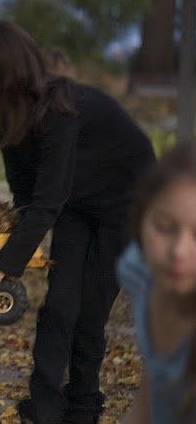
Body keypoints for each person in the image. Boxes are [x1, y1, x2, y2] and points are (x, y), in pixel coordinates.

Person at [0, 20, 156, 423]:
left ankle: (83, 406)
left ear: (8, 78)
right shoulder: (10, 120)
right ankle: (44, 409)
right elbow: (26, 203)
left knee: (90, 312)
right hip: (76, 204)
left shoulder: (61, 111)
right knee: (59, 307)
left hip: (127, 203)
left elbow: (45, 205)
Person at [117, 141, 196, 423]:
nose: (178, 252)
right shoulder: (138, 271)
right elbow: (151, 396)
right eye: (164, 227)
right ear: (141, 219)